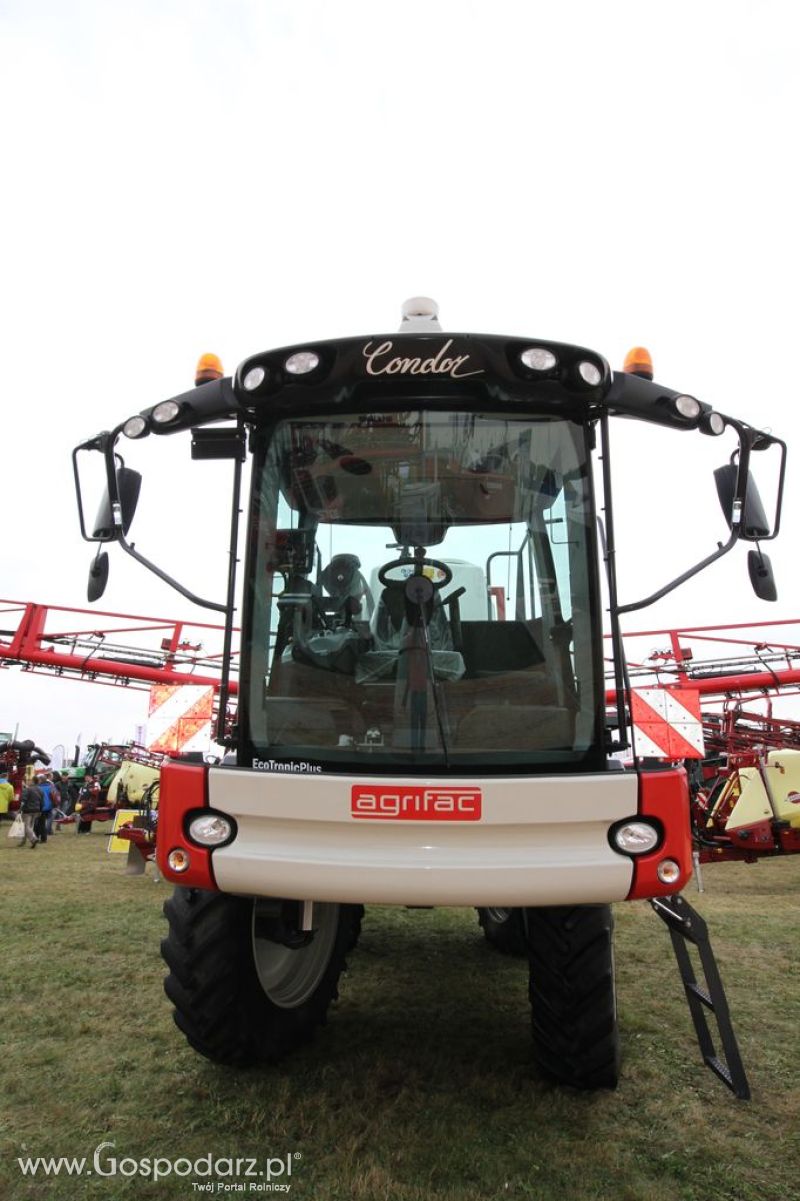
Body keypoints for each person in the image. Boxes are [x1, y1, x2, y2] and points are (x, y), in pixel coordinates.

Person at [19, 779, 43, 847]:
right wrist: (40, 810)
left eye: (29, 780)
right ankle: (24, 841)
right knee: (30, 827)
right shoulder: (40, 790)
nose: (27, 782)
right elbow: (42, 801)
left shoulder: (28, 789)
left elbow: (23, 800)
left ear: (32, 782)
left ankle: (33, 839)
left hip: (28, 811)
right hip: (36, 810)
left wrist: (20, 809)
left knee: (26, 826)